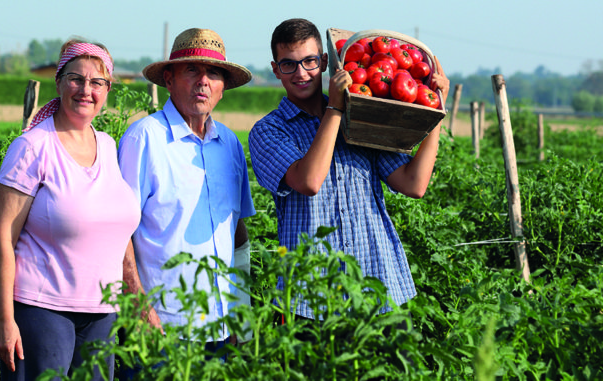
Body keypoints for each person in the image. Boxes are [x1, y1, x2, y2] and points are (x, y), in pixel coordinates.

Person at [248, 18, 450, 323]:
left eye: (309, 61)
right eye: (289, 65)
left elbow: (414, 184)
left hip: (378, 287)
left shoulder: (362, 116)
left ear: (325, 62)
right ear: (276, 70)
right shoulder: (268, 131)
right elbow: (310, 180)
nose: (301, 73)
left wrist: (435, 111)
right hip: (309, 298)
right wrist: (335, 109)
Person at [0, 39, 140, 381]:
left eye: (97, 82)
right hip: (42, 309)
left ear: (107, 89)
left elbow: (118, 230)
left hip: (102, 312)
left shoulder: (107, 145)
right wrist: (4, 320)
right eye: (76, 79)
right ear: (59, 82)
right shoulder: (32, 147)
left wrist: (135, 297)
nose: (86, 90)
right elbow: (2, 237)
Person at [118, 28, 256, 349]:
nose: (203, 81)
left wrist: (241, 314)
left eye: (214, 73)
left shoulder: (230, 144)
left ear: (223, 88)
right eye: (192, 69)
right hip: (163, 325)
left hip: (220, 326)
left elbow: (236, 232)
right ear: (169, 79)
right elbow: (119, 231)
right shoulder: (146, 138)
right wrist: (140, 309)